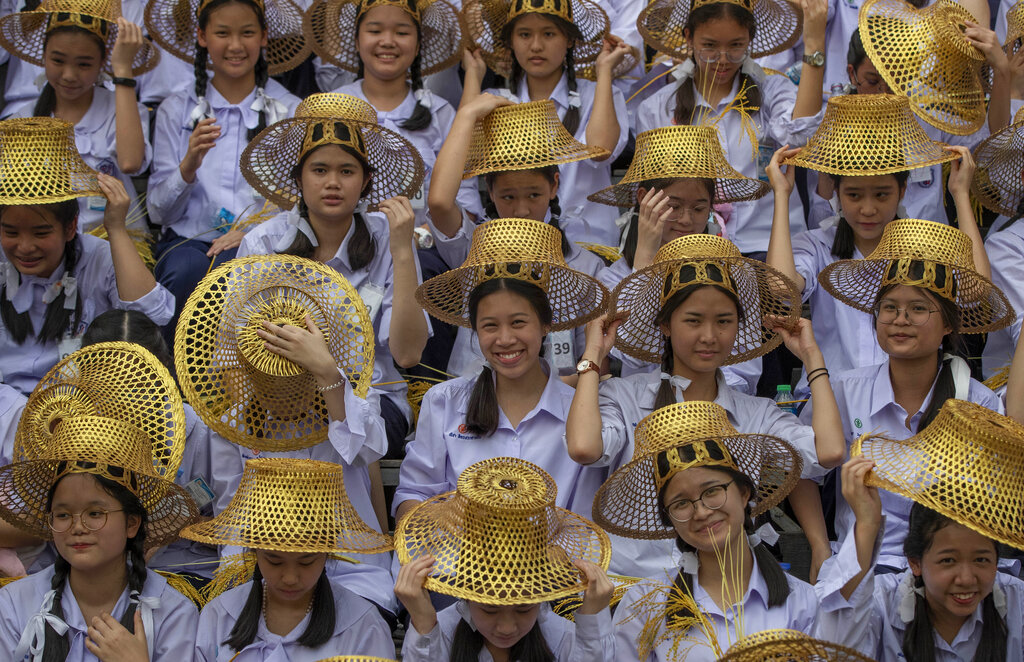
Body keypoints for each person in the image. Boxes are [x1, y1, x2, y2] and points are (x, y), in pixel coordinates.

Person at [568, 233, 845, 582]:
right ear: (665, 325)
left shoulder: (754, 413)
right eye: (693, 320)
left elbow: (830, 452)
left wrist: (812, 358)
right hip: (635, 592)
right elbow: (584, 447)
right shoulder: (625, 397)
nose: (710, 336)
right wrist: (593, 356)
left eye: (724, 321)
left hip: (725, 595)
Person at [173, 254, 401, 616]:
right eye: (266, 374)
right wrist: (249, 577)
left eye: (296, 370)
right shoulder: (233, 424)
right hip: (265, 572)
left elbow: (367, 448)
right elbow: (233, 513)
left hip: (349, 570)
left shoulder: (353, 397)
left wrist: (328, 374)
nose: (280, 386)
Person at [805, 218, 1012, 569]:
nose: (900, 319)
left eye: (918, 309)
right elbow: (803, 471)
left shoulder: (977, 403)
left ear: (948, 324)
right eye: (889, 308)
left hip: (945, 578)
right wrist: (820, 547)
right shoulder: (843, 390)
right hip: (862, 568)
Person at [237, 92, 430, 457]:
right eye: (319, 169)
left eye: (347, 171)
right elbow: (239, 345)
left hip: (373, 395)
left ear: (366, 180)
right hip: (281, 397)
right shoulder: (263, 242)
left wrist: (403, 252)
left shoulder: (390, 237)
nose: (332, 183)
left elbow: (407, 354)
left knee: (342, 432)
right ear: (299, 177)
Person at [395, 217, 610, 520]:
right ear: (474, 330)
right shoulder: (444, 401)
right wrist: (444, 519)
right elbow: (413, 495)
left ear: (546, 324)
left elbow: (584, 523)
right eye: (490, 326)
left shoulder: (578, 416)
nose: (505, 340)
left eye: (519, 322)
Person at [768, 93, 964, 389]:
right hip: (831, 397)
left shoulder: (925, 246)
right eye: (854, 195)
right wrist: (781, 196)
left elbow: (975, 295)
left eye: (882, 194)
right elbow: (781, 289)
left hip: (910, 399)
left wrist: (961, 194)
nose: (868, 209)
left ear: (903, 190)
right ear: (836, 192)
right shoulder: (818, 245)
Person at [604, 402, 822, 661]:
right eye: (681, 503)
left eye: (712, 492)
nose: (702, 512)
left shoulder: (802, 601)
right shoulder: (644, 606)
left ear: (743, 494)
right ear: (669, 518)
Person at [144, 0, 304, 341]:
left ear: (263, 37)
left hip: (264, 242)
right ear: (202, 36)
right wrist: (188, 166)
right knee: (185, 270)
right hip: (189, 242)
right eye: (222, 33)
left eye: (247, 33)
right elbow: (158, 212)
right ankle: (177, 380)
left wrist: (252, 231)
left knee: (240, 271)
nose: (235, 45)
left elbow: (301, 202)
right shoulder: (177, 109)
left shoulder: (288, 111)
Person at [426, 96, 619, 377]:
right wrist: (467, 114)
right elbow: (441, 203)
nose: (521, 210)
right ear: (489, 192)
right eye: (507, 196)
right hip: (474, 398)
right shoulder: (472, 250)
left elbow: (594, 361)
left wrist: (554, 393)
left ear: (554, 186)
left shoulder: (586, 267)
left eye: (534, 194)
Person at [819, 399, 1024, 660]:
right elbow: (835, 648)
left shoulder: (1017, 600)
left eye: (981, 560)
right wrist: (867, 524)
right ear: (915, 563)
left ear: (998, 561)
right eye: (948, 560)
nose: (966, 578)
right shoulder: (882, 600)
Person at [634, 0, 827, 257]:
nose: (723, 60)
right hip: (691, 252)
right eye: (710, 46)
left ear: (750, 39)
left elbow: (801, 135)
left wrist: (813, 46)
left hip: (769, 246)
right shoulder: (658, 108)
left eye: (736, 46)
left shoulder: (771, 92)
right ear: (688, 38)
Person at [0, 414, 200, 659]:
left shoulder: (172, 612)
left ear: (132, 523)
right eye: (62, 515)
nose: (78, 527)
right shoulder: (14, 604)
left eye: (95, 513)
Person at [0, 117, 172, 395]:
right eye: (10, 232)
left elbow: (149, 317)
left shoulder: (97, 257)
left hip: (79, 410)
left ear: (70, 227)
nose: (25, 246)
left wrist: (116, 228)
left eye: (41, 233)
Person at [394, 456, 615, 661]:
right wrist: (421, 618)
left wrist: (593, 621)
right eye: (489, 609)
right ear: (466, 596)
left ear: (541, 598)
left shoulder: (559, 635)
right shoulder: (443, 630)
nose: (507, 628)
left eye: (524, 609)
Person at [185, 458, 396, 660]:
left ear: (328, 552)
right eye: (274, 561)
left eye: (306, 562)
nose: (290, 578)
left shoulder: (362, 625)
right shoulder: (220, 615)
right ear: (253, 550)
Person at [462, 0, 633, 245]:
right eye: (524, 34)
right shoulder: (495, 101)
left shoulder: (599, 94)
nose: (536, 46)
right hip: (517, 244)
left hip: (588, 245)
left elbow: (600, 151)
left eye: (549, 34)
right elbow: (463, 159)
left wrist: (603, 71)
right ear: (511, 41)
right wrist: (472, 76)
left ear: (570, 40)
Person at [307, 0, 484, 222]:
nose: (388, 41)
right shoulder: (330, 108)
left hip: (422, 251)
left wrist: (419, 239)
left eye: (401, 32)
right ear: (356, 40)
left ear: (418, 44)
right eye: (375, 30)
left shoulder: (440, 113)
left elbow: (465, 201)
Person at [0, 0, 155, 232]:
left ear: (103, 62)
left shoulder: (124, 110)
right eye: (58, 61)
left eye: (84, 64)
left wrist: (123, 70)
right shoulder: (20, 122)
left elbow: (130, 162)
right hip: (47, 253)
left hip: (113, 246)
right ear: (43, 56)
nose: (69, 75)